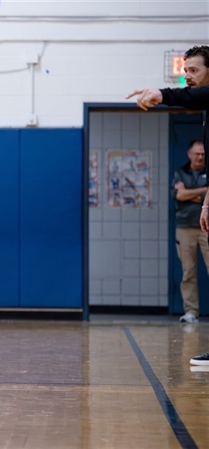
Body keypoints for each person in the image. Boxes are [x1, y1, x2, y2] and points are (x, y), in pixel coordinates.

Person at [127, 45, 209, 363]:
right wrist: (205, 204)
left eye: (194, 70)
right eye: (185, 71)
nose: (187, 76)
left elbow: (190, 96)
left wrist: (162, 93)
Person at [172, 140, 208, 323]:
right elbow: (178, 195)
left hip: (206, 228)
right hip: (185, 227)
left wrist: (189, 194)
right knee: (188, 271)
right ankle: (191, 311)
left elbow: (187, 195)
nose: (200, 157)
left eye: (203, 154)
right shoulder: (180, 172)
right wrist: (203, 192)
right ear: (189, 154)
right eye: (197, 153)